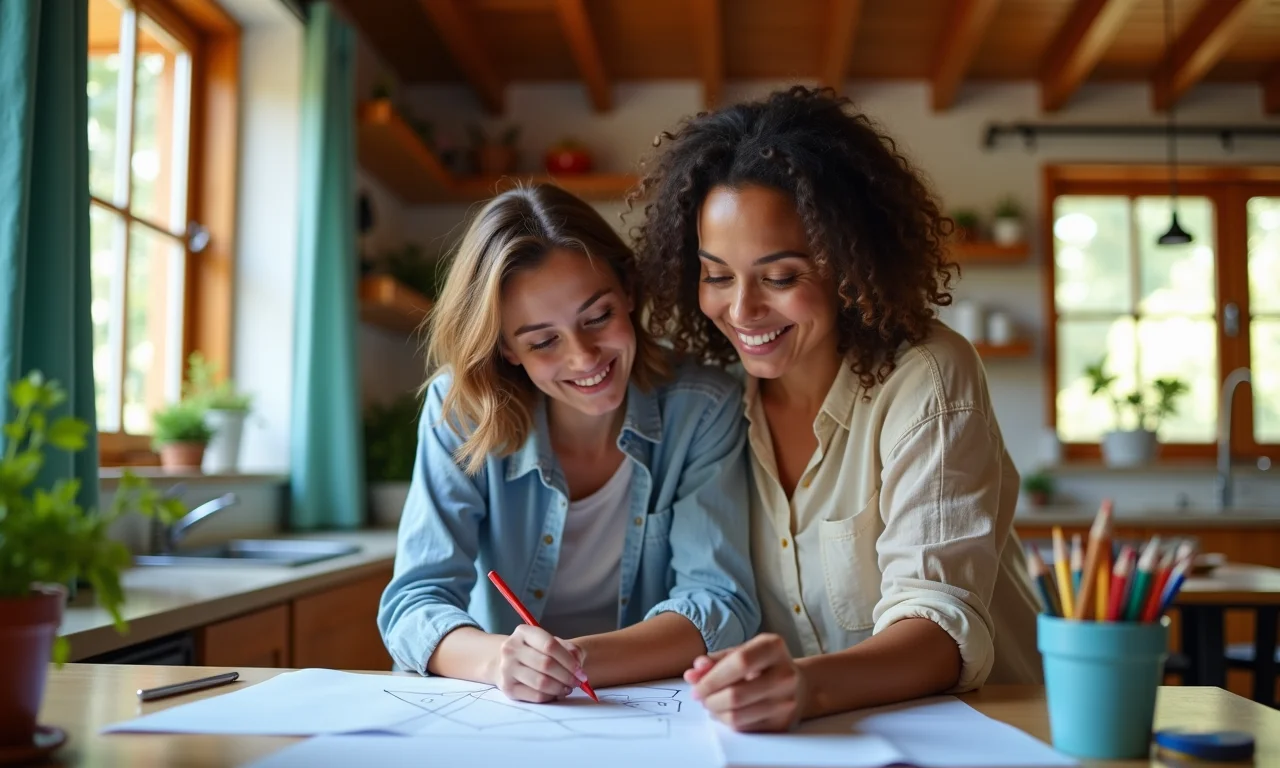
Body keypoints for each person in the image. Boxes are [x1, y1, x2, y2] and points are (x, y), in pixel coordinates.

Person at [629, 86, 1042, 732]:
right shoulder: (712, 404)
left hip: (984, 734)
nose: (741, 310)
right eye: (716, 275)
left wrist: (804, 686)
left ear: (850, 263)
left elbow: (937, 626)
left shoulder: (927, 378)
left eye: (781, 276)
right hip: (820, 743)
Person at [378, 184, 759, 704]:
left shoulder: (702, 407)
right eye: (543, 341)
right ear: (507, 347)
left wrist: (571, 662)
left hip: (650, 712)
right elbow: (414, 604)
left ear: (627, 291)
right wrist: (499, 661)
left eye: (597, 316)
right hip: (507, 713)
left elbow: (720, 602)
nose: (583, 358)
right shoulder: (463, 411)